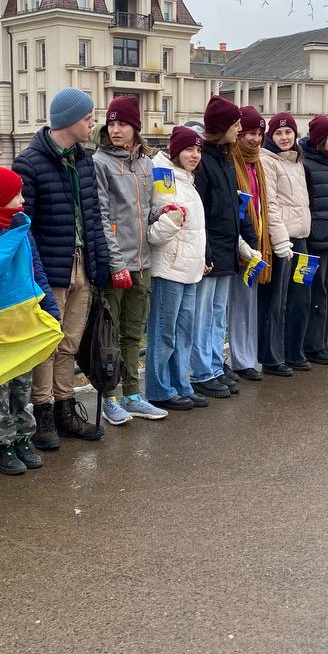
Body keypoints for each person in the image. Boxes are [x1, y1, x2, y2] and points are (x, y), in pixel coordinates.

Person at [14, 87, 111, 444]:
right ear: (69, 120)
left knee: (70, 340)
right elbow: (24, 227)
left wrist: (101, 264)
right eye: (88, 117)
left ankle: (65, 407)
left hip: (82, 263)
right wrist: (33, 274)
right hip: (51, 267)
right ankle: (43, 415)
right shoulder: (30, 162)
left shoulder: (84, 160)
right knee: (48, 342)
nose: (92, 123)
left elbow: (93, 218)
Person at [0, 165, 61, 470]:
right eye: (15, 194)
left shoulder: (21, 227)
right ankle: (0, 442)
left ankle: (23, 435)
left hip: (24, 319)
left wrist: (49, 306)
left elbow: (36, 270)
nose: (22, 200)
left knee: (22, 382)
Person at [93, 96, 167, 424]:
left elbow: (146, 210)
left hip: (143, 261)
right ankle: (109, 398)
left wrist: (164, 212)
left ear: (135, 127)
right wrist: (116, 262)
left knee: (134, 331)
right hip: (117, 264)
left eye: (122, 124)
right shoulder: (100, 163)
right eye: (111, 124)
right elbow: (103, 215)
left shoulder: (146, 165)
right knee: (108, 332)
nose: (116, 130)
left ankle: (133, 394)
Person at [191, 96, 260, 395]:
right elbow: (201, 212)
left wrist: (247, 239)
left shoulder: (226, 158)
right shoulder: (205, 162)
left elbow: (235, 203)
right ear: (222, 128)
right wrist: (206, 250)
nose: (239, 129)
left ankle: (215, 365)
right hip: (211, 249)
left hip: (227, 247)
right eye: (235, 125)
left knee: (218, 313)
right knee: (204, 314)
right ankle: (201, 371)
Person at [144, 127, 207, 410]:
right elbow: (159, 225)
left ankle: (180, 383)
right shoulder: (164, 177)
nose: (194, 155)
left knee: (183, 332)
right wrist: (171, 220)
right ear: (176, 151)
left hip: (190, 269)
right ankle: (159, 388)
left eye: (198, 150)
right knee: (164, 331)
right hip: (169, 267)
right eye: (189, 149)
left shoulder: (188, 181)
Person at [259, 113, 311, 374]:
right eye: (278, 133)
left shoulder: (297, 161)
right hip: (282, 240)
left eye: (288, 132)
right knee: (276, 301)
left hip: (301, 237)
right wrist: (280, 241)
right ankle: (272, 356)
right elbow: (271, 204)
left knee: (300, 297)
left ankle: (294, 351)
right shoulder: (267, 160)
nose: (284, 137)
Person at [228, 106, 273, 381]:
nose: (255, 139)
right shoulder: (233, 161)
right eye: (249, 133)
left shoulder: (257, 163)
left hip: (257, 240)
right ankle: (238, 359)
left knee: (248, 303)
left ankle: (246, 357)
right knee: (235, 303)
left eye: (259, 134)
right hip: (239, 241)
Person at [300, 115, 328, 365]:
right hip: (316, 239)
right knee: (314, 294)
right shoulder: (306, 165)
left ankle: (321, 341)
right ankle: (312, 344)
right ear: (318, 140)